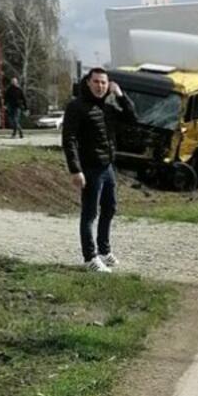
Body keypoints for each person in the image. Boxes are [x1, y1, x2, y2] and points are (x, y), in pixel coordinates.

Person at [62, 68, 137, 272]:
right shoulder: (76, 107)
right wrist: (75, 170)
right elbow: (69, 140)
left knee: (110, 208)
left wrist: (120, 95)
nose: (100, 86)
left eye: (103, 83)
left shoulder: (107, 107)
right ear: (88, 82)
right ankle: (90, 258)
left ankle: (104, 251)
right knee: (90, 213)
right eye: (96, 82)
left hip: (107, 166)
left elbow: (132, 118)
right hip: (89, 168)